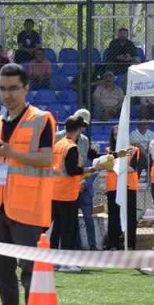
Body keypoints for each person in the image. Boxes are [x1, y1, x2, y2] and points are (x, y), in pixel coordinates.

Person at [0, 64, 56, 305]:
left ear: (26, 89)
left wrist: (12, 152)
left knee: (30, 270)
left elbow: (46, 158)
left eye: (13, 88)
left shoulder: (41, 119)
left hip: (27, 206)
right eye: (2, 88)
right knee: (1, 268)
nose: (7, 94)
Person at [49, 114, 89, 271]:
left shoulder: (58, 144)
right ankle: (67, 262)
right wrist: (91, 169)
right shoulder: (71, 147)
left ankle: (53, 261)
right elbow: (72, 170)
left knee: (57, 228)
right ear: (78, 130)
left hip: (56, 191)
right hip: (67, 193)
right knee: (68, 229)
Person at [99, 146, 138, 250]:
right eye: (115, 136)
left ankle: (130, 244)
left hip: (129, 186)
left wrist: (115, 168)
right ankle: (113, 244)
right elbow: (106, 166)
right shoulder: (109, 150)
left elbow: (133, 168)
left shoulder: (134, 150)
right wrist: (123, 169)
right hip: (113, 187)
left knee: (130, 216)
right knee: (113, 216)